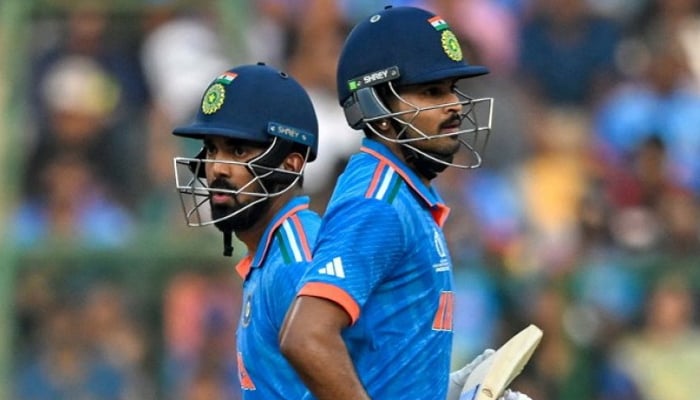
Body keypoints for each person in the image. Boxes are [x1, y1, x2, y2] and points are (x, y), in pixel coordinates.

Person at [279, 5, 531, 400]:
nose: (455, 106)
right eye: (432, 91)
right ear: (378, 111)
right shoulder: (378, 203)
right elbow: (305, 336)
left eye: (451, 88)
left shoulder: (402, 193)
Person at [171, 63, 321, 398]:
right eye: (211, 149)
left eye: (238, 150)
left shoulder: (298, 260)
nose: (217, 168)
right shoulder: (273, 255)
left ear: (290, 163)